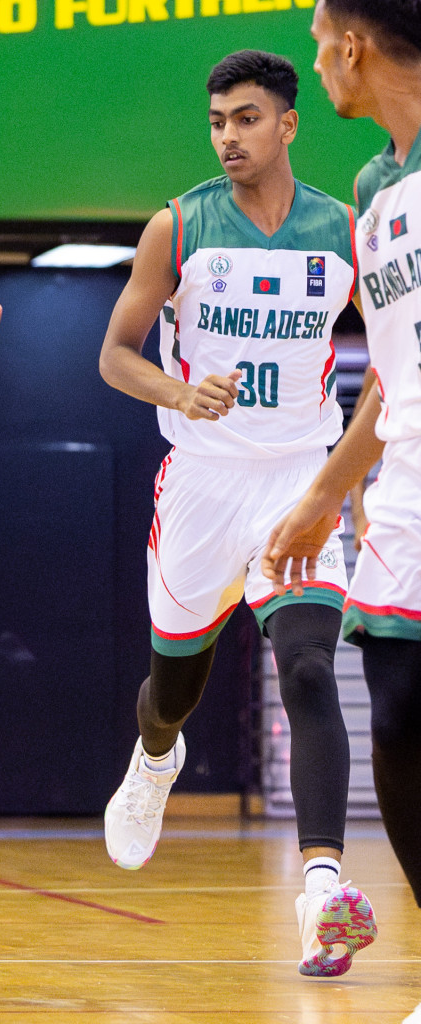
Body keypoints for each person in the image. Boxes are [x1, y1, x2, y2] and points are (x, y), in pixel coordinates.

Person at [96, 50, 376, 977]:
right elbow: (115, 356)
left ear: (288, 124)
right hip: (202, 484)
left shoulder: (344, 231)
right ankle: (155, 759)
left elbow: (391, 362)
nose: (228, 137)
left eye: (247, 119)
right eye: (217, 121)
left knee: (309, 669)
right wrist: (178, 394)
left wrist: (351, 484)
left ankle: (321, 891)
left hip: (297, 480)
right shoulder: (178, 227)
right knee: (173, 691)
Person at [262, 0, 421, 981]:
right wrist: (324, 493)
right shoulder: (373, 186)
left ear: (352, 47)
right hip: (405, 483)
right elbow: (389, 373)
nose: (318, 67)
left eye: (320, 48)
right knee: (397, 712)